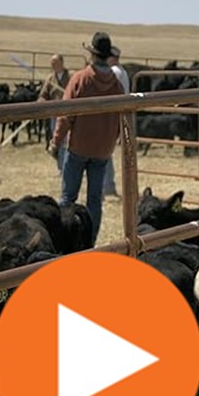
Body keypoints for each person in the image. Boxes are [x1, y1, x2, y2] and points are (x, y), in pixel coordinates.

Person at [50, 32, 124, 242]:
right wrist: (111, 139)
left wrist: (56, 142)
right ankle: (90, 240)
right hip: (102, 151)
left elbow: (65, 116)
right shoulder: (116, 85)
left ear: (92, 54)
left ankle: (64, 240)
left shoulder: (80, 79)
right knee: (94, 200)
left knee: (67, 198)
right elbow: (121, 119)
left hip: (78, 148)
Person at [104, 46, 131, 198]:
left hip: (113, 114)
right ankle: (108, 185)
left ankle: (108, 186)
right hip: (121, 113)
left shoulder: (114, 72)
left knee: (105, 151)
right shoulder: (123, 71)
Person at [40, 54, 71, 170]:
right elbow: (43, 95)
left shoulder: (71, 76)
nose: (53, 66)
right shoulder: (50, 79)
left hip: (68, 114)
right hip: (54, 115)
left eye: (56, 63)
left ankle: (66, 166)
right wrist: (41, 102)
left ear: (62, 63)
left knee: (66, 141)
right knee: (57, 141)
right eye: (52, 64)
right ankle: (61, 166)